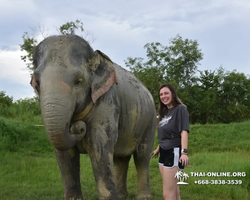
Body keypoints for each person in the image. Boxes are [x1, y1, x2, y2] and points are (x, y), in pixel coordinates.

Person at [152, 84, 189, 200]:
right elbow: (166, 135)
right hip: (163, 153)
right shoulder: (164, 112)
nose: (163, 96)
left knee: (167, 195)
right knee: (174, 190)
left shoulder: (180, 109)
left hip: (173, 152)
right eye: (161, 94)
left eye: (166, 93)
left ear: (172, 94)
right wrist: (158, 148)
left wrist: (184, 153)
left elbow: (184, 131)